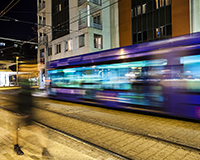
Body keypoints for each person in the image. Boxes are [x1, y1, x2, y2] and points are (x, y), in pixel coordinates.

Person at [13, 78, 51, 158]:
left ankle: (16, 146)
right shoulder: (25, 95)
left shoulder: (23, 94)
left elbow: (26, 105)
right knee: (18, 131)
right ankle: (44, 149)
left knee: (17, 131)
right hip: (23, 116)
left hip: (25, 116)